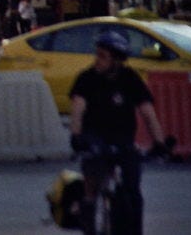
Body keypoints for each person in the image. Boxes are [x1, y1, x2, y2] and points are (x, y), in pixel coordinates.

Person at [69, 30, 169, 235]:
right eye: (97, 54)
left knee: (133, 190)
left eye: (103, 56)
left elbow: (148, 112)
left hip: (123, 138)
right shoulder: (87, 78)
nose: (97, 60)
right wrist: (76, 137)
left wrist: (159, 143)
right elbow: (78, 109)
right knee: (93, 176)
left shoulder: (130, 78)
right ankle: (88, 213)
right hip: (93, 136)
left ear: (117, 60)